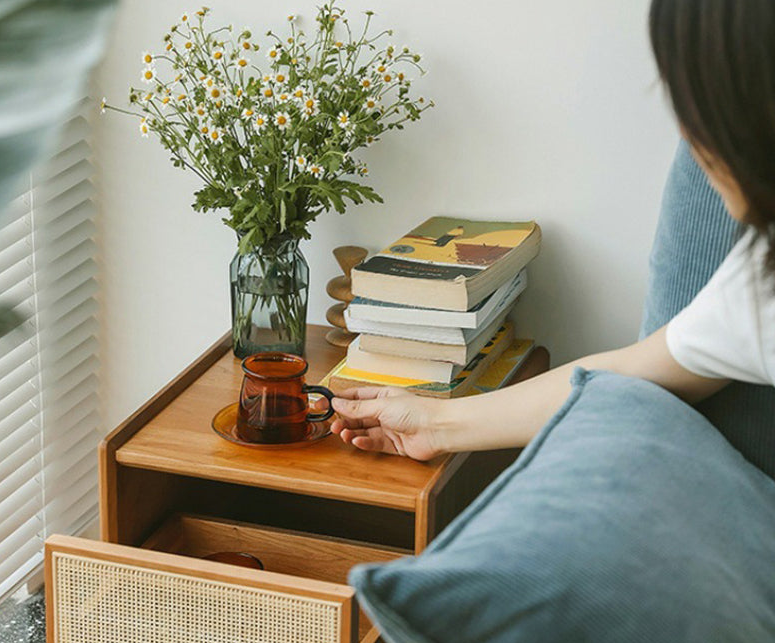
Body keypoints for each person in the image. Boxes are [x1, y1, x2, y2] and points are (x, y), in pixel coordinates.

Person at [331, 0, 775, 464]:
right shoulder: (760, 279)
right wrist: (432, 424)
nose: (687, 133)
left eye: (700, 100)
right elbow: (637, 371)